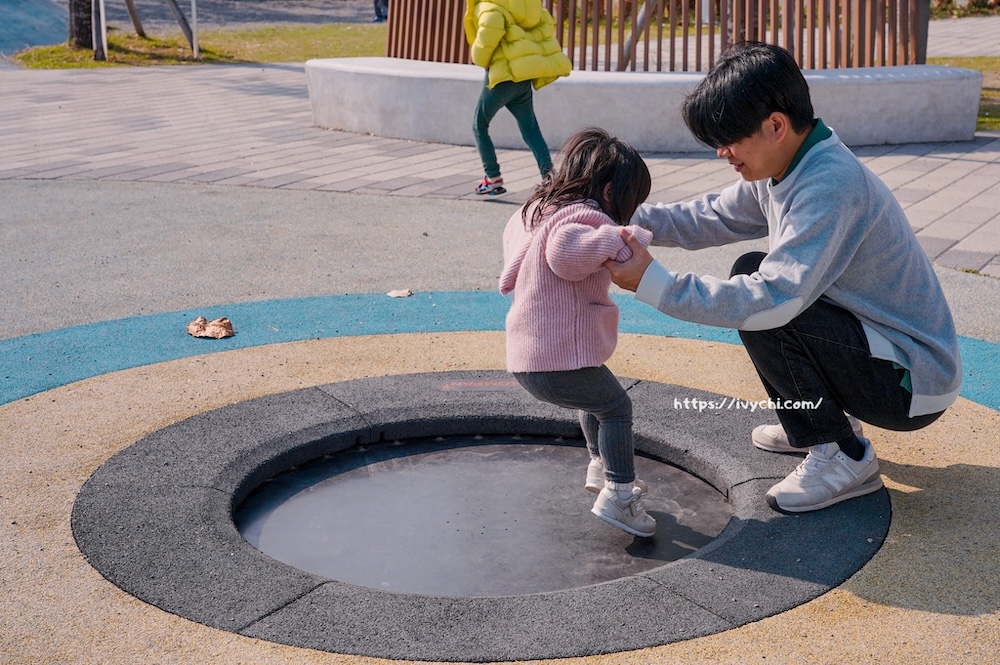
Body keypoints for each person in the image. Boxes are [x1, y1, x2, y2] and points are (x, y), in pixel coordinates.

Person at [604, 42, 962, 514]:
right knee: (756, 274)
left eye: (729, 139)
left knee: (766, 300)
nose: (722, 152)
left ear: (775, 126)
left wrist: (653, 282)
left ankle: (843, 455)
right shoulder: (786, 164)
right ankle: (820, 421)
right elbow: (712, 216)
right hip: (879, 351)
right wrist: (618, 216)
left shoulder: (829, 184)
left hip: (910, 381)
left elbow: (774, 299)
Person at [500, 128, 656, 537]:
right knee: (617, 408)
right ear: (610, 192)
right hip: (556, 361)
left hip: (530, 358)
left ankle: (600, 465)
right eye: (630, 203)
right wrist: (631, 238)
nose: (629, 214)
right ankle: (620, 496)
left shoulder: (537, 212)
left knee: (597, 401)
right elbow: (566, 253)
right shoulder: (582, 219)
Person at [464, 0, 572, 196]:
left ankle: (492, 177)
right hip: (522, 77)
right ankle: (550, 179)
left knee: (479, 124)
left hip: (502, 77)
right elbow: (544, 24)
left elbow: (490, 26)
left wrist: (480, 58)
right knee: (531, 129)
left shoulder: (489, 5)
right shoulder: (528, 5)